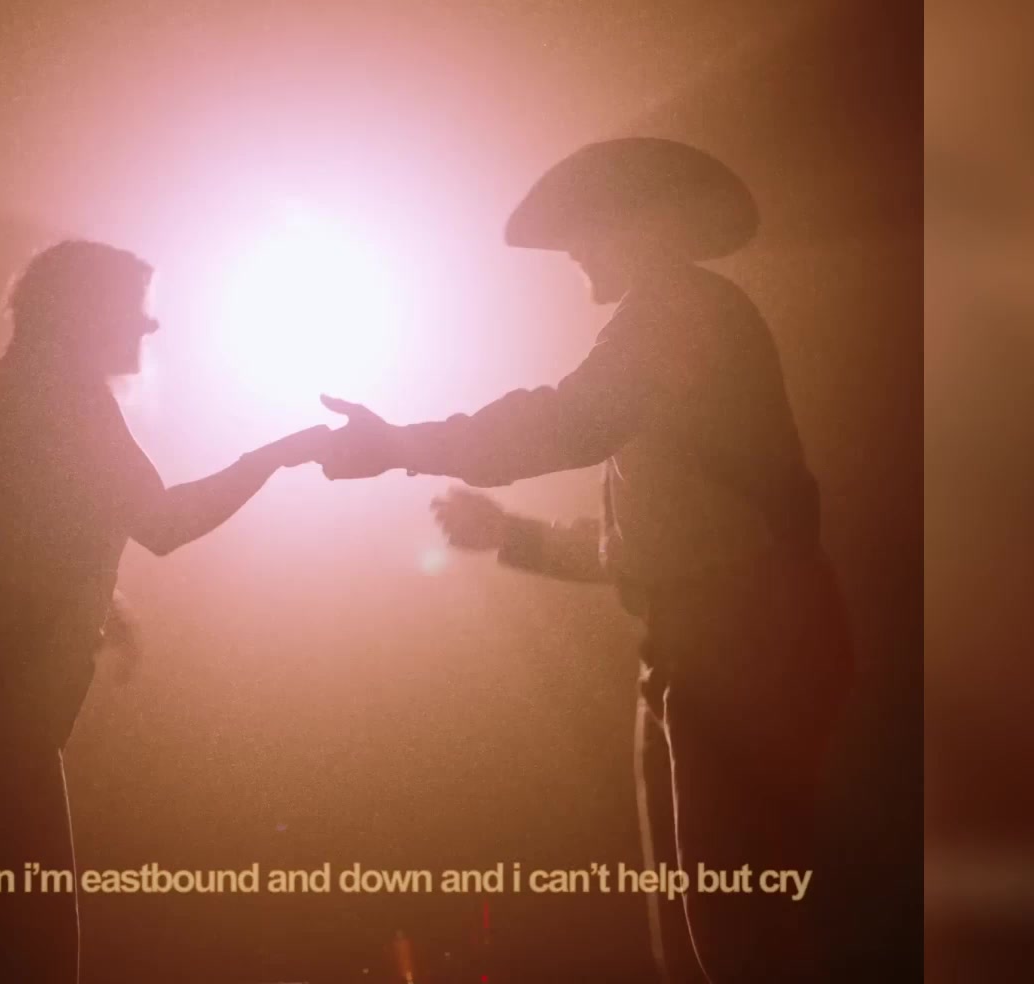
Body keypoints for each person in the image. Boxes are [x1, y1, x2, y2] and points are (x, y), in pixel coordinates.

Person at [318, 139, 854, 982]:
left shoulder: (676, 311)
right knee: (711, 930)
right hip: (719, 638)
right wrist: (512, 536)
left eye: (583, 226)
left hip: (738, 642)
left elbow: (569, 423)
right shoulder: (683, 317)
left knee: (733, 934)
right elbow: (649, 544)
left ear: (642, 224)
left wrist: (399, 445)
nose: (570, 249)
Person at [0, 240, 328, 983]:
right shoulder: (70, 401)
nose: (149, 325)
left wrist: (100, 605)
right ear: (86, 313)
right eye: (135, 307)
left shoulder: (43, 398)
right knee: (25, 953)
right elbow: (163, 523)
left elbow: (26, 543)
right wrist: (273, 456)